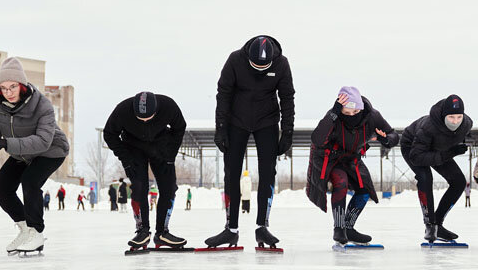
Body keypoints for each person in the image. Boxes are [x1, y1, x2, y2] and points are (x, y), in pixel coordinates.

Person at [208, 35, 295, 249]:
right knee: (232, 172)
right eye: (254, 65)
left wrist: (287, 132)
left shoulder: (281, 64)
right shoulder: (235, 60)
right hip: (236, 122)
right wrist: (220, 129)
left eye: (263, 66)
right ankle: (231, 229)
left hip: (267, 122)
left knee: (267, 173)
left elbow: (287, 98)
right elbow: (223, 95)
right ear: (248, 57)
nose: (258, 69)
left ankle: (262, 227)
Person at [0, 57, 69, 255]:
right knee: (0, 188)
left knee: (30, 180)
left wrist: (7, 143)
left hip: (51, 150)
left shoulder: (42, 105)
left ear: (22, 85)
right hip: (22, 153)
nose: (8, 93)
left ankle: (36, 232)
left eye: (13, 87)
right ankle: (26, 230)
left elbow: (43, 140)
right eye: (4, 88)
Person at [306, 87, 399, 245]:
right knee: (341, 182)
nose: (351, 116)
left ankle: (348, 229)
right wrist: (334, 113)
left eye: (355, 112)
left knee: (364, 190)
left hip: (351, 158)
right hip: (329, 158)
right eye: (346, 113)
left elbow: (393, 135)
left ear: (361, 109)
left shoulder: (373, 116)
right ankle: (339, 228)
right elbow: (317, 138)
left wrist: (386, 140)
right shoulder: (334, 115)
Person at [103, 91, 188, 250]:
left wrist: (171, 154)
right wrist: (126, 159)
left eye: (148, 118)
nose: (145, 121)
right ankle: (142, 231)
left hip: (161, 147)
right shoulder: (122, 110)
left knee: (169, 188)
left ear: (156, 111)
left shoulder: (168, 106)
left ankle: (162, 233)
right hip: (133, 149)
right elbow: (109, 134)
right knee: (139, 187)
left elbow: (180, 127)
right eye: (140, 119)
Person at [400, 94, 473, 242]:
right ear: (444, 116)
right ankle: (430, 225)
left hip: (438, 150)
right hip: (413, 148)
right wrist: (450, 153)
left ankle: (438, 225)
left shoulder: (466, 124)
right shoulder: (429, 127)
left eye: (459, 117)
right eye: (451, 117)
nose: (455, 121)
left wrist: (458, 146)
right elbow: (417, 157)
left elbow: (455, 137)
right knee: (425, 178)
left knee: (459, 182)